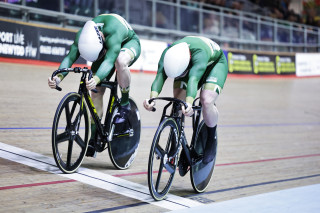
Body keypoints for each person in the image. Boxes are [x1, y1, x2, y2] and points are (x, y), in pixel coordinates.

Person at [48, 14, 141, 157]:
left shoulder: (113, 30)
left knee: (120, 61)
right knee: (96, 93)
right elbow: (69, 57)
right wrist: (58, 77)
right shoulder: (83, 36)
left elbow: (109, 61)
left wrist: (96, 78)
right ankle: (94, 137)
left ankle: (124, 103)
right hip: (105, 49)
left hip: (128, 43)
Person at [143, 36, 228, 164]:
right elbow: (159, 76)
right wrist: (151, 98)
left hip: (215, 65)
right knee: (177, 103)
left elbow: (193, 80)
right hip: (189, 67)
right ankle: (175, 145)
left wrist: (188, 104)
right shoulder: (168, 54)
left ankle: (211, 138)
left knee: (206, 100)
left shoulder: (199, 54)